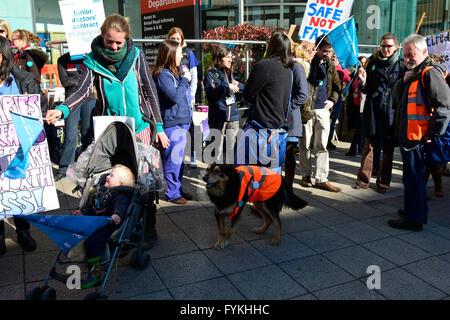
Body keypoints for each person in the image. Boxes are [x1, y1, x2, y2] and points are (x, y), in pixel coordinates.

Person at [45, 14, 168, 250]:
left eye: (118, 43)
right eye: (109, 41)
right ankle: (115, 224)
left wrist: (159, 127)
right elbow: (81, 92)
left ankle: (148, 226)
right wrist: (61, 110)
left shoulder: (136, 56)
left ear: (126, 40)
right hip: (109, 129)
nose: (113, 46)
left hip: (139, 127)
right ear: (103, 36)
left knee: (143, 182)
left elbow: (149, 91)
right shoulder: (92, 60)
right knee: (111, 181)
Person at [388, 34, 450, 231]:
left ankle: (414, 219)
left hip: (419, 139)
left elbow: (444, 107)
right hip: (410, 137)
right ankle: (415, 211)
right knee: (413, 178)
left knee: (414, 178)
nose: (407, 59)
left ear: (424, 52)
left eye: (411, 55)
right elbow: (395, 98)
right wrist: (402, 81)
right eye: (405, 55)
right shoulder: (413, 73)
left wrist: (432, 135)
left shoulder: (430, 73)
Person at [0, 36, 48, 255]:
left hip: (17, 145)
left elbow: (40, 104)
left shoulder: (22, 79)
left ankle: (23, 231)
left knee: (18, 187)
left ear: (4, 56)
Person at [354, 32, 407, 194]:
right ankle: (363, 181)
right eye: (383, 46)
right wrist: (363, 81)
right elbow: (367, 89)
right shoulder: (373, 63)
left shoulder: (401, 65)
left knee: (388, 149)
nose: (385, 49)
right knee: (368, 146)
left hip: (391, 112)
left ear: (396, 47)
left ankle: (383, 183)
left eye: (389, 46)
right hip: (373, 110)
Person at [235, 32, 294, 174]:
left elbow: (248, 95)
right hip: (278, 131)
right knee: (271, 179)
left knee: (244, 173)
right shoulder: (289, 71)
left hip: (259, 129)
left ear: (271, 46)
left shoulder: (263, 66)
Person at [72, 164, 135, 288]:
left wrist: (116, 215)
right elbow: (94, 207)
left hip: (109, 224)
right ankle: (88, 255)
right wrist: (83, 212)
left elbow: (120, 207)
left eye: (112, 175)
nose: (107, 176)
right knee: (75, 229)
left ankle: (95, 275)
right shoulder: (102, 191)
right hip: (97, 220)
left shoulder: (119, 195)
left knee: (92, 242)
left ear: (121, 184)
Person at [298, 35, 342, 192]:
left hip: (323, 110)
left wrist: (332, 100)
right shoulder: (307, 63)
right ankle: (305, 175)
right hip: (307, 110)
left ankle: (321, 178)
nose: (327, 54)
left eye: (329, 52)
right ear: (317, 49)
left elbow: (338, 86)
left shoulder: (330, 65)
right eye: (324, 51)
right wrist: (307, 63)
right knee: (305, 144)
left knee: (322, 145)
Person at [153, 39, 193, 204]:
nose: (181, 57)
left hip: (182, 122)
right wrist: (185, 80)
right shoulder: (163, 75)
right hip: (172, 124)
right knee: (172, 161)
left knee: (178, 161)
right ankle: (172, 193)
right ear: (170, 55)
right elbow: (175, 96)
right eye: (178, 54)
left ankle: (178, 189)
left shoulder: (174, 73)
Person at [54, 52, 96, 181]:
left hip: (89, 98)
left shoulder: (89, 58)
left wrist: (82, 80)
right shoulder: (63, 59)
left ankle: (87, 167)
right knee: (70, 134)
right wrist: (84, 81)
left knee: (87, 134)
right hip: (71, 99)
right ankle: (64, 168)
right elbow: (65, 82)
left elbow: (96, 77)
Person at [204, 44, 244, 163]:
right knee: (216, 152)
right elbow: (211, 95)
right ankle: (213, 177)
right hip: (218, 118)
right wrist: (227, 86)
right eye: (227, 57)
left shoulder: (230, 73)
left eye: (231, 57)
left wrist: (238, 86)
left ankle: (229, 177)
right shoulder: (211, 74)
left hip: (233, 118)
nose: (230, 59)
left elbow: (241, 91)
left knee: (232, 153)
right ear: (218, 58)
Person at [167, 27, 199, 167]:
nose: (175, 41)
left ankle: (193, 156)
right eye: (173, 39)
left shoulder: (188, 53)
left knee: (190, 126)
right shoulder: (166, 53)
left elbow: (194, 77)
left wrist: (192, 96)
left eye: (178, 39)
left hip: (186, 96)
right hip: (173, 95)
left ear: (182, 40)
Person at [285, 42, 309, 187]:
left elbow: (302, 95)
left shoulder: (296, 67)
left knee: (289, 155)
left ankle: (288, 187)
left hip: (291, 118)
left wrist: (285, 108)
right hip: (283, 117)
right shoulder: (285, 66)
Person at [327, 49, 351, 149]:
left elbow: (350, 81)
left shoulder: (343, 70)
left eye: (336, 57)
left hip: (337, 99)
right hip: (326, 98)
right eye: (333, 56)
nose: (334, 58)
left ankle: (328, 141)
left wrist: (344, 90)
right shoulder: (326, 67)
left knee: (332, 121)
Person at [346, 55, 368, 156]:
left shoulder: (367, 75)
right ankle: (355, 149)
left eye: (363, 63)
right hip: (354, 105)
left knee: (360, 128)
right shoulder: (353, 76)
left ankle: (356, 149)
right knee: (356, 128)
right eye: (359, 64)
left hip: (363, 106)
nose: (361, 66)